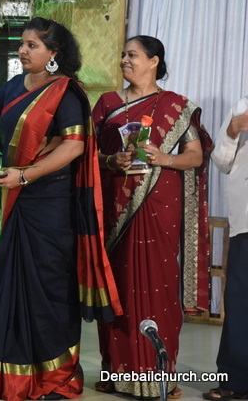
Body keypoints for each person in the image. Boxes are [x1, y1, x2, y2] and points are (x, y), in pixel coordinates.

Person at [0, 17, 120, 401]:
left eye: (32, 45)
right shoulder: (16, 85)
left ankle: (58, 379)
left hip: (51, 205)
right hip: (18, 201)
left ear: (54, 53)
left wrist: (25, 176)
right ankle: (15, 378)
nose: (23, 50)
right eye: (23, 44)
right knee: (13, 286)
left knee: (48, 290)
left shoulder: (66, 92)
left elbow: (74, 146)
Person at [92, 35, 210, 400]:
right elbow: (84, 153)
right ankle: (116, 373)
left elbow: (195, 156)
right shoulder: (107, 103)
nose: (125, 60)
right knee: (117, 286)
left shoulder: (176, 105)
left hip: (160, 207)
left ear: (154, 61)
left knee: (159, 285)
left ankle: (160, 377)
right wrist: (111, 160)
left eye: (133, 55)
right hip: (116, 206)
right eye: (123, 55)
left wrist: (165, 158)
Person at [207, 96, 248, 400]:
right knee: (240, 301)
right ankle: (234, 379)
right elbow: (221, 162)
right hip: (246, 220)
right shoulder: (243, 106)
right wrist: (233, 131)